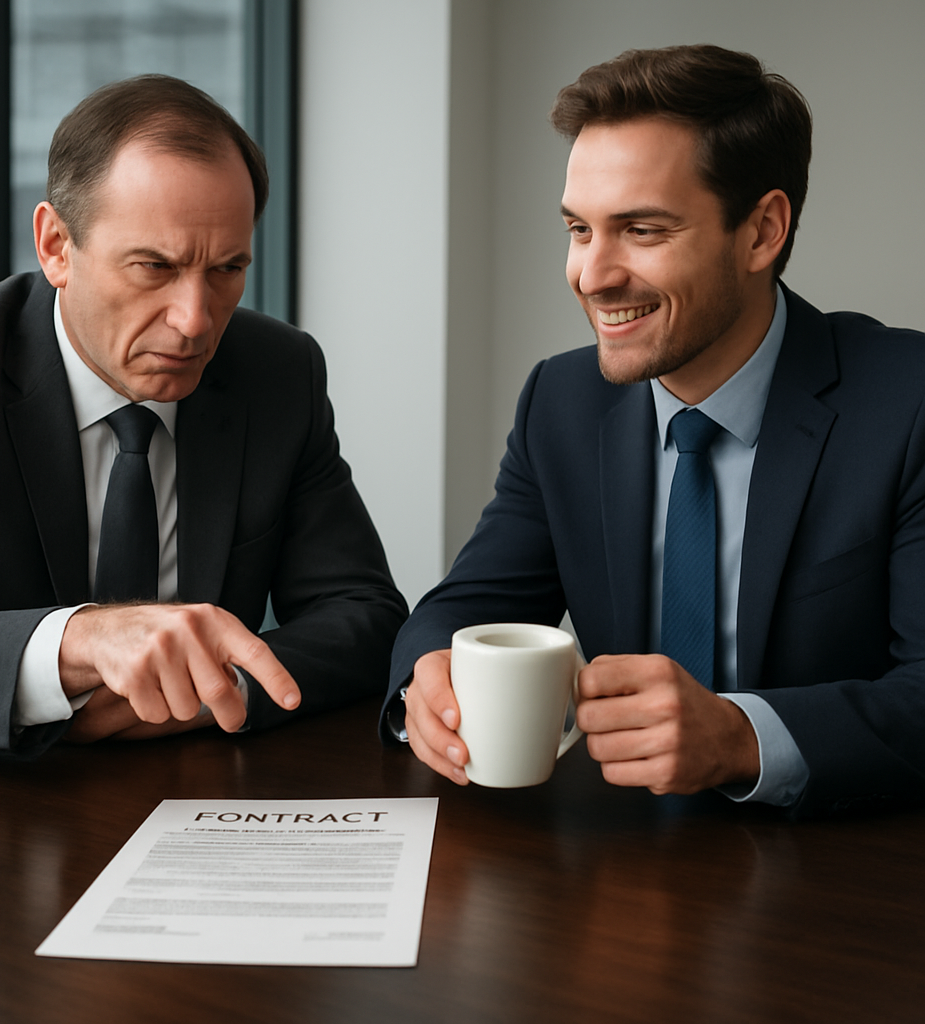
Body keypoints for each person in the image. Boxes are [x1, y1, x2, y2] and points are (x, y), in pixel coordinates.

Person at [381, 44, 925, 818]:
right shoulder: (560, 402)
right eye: (579, 229)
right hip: (617, 875)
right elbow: (463, 607)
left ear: (763, 231)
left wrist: (742, 737)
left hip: (844, 879)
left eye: (640, 230)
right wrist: (429, 678)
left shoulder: (907, 402)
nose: (592, 275)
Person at [0, 74, 407, 755]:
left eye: (227, 269)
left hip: (202, 802)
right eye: (153, 267)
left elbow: (365, 615)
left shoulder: (277, 373)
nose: (195, 321)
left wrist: (213, 690)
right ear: (56, 246)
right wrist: (80, 642)